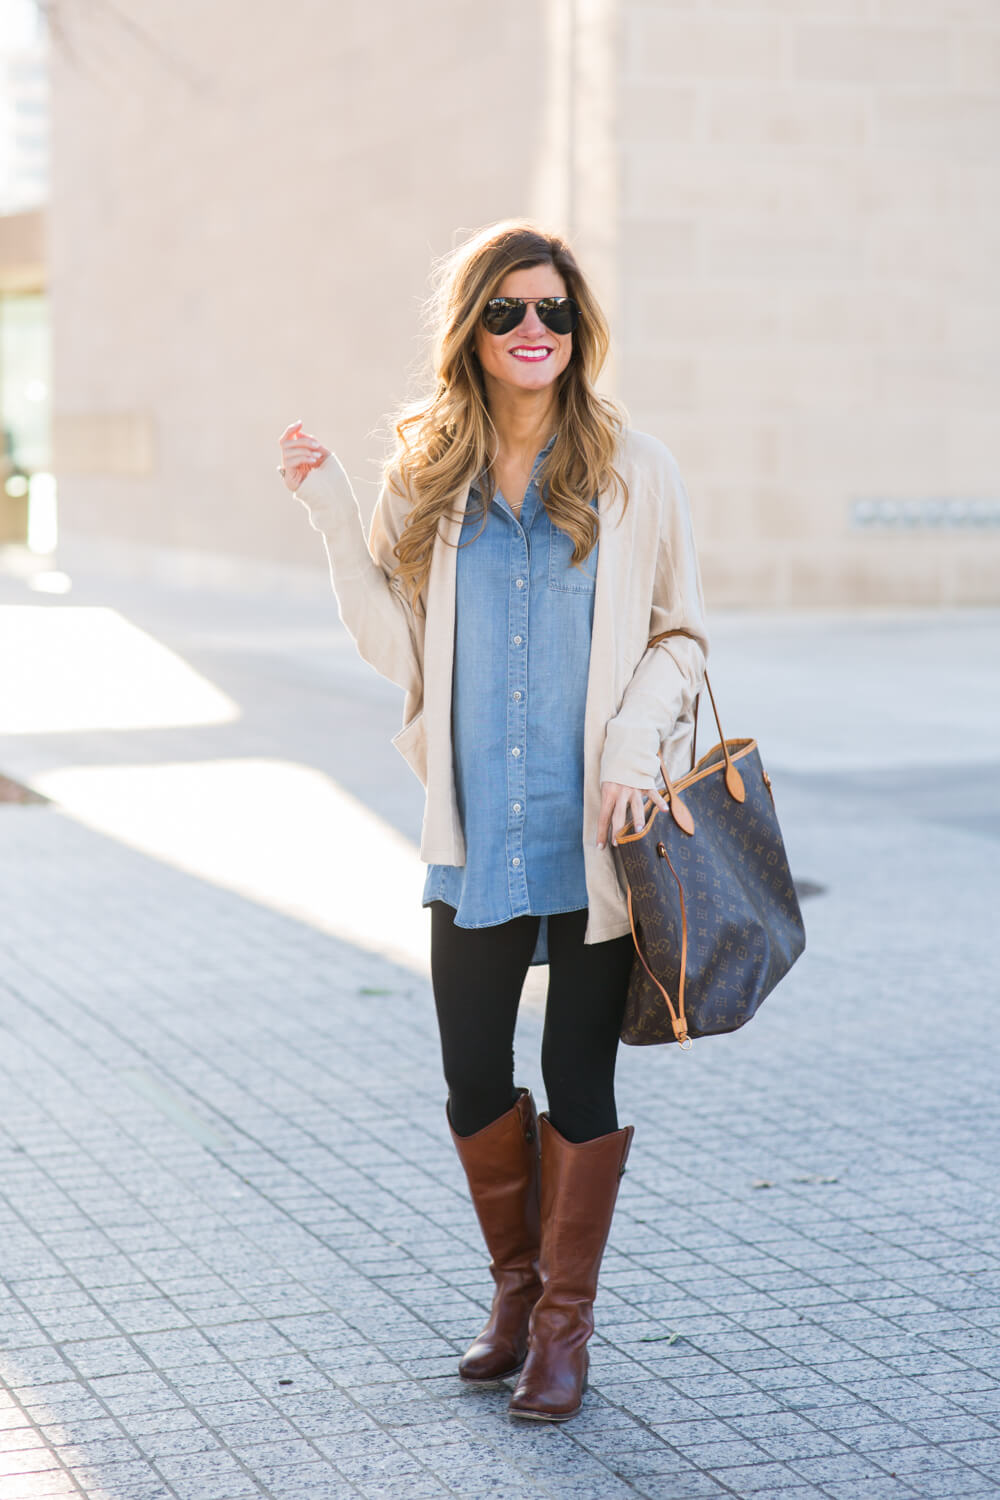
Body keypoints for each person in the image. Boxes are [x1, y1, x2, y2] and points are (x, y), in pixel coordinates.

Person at [277, 220, 708, 1423]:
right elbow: (398, 652)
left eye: (555, 313)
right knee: (472, 1076)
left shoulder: (636, 468)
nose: (535, 332)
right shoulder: (431, 475)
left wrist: (632, 751)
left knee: (576, 1077)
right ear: (471, 330)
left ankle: (564, 1333)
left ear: (581, 331)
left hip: (594, 831)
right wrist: (331, 507)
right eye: (509, 312)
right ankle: (514, 1295)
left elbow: (680, 634)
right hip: (476, 829)